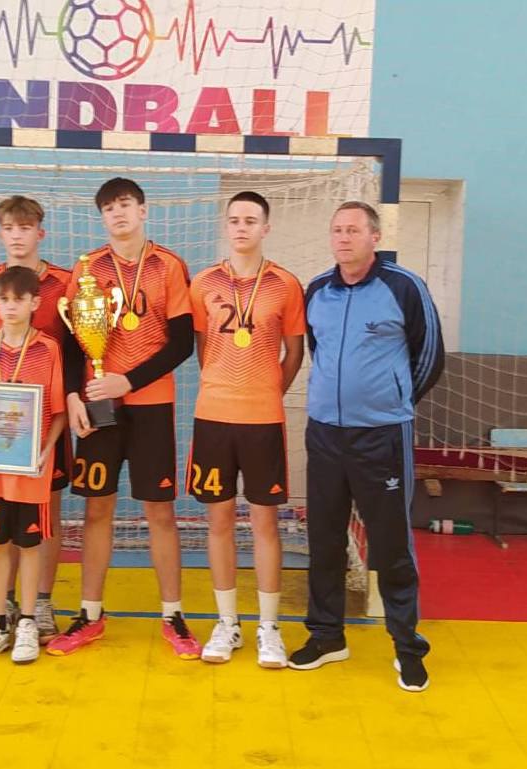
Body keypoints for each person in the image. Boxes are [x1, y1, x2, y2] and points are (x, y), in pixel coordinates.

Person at [288, 201, 444, 692]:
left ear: (375, 237)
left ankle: (407, 647)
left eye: (353, 230)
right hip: (325, 434)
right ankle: (327, 636)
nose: (343, 238)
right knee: (324, 539)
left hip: (382, 436)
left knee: (391, 544)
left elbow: (430, 356)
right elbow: (319, 351)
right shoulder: (318, 290)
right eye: (337, 230)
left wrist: (393, 403)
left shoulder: (404, 287)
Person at [47, 177, 201, 659]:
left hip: (151, 403)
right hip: (98, 403)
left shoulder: (169, 266)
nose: (118, 213)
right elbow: (72, 341)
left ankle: (173, 616)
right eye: (109, 207)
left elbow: (181, 343)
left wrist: (128, 381)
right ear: (102, 217)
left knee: (159, 511)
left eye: (125, 204)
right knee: (96, 509)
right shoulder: (87, 268)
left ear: (143, 210)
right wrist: (73, 395)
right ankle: (90, 615)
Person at [187, 191, 305, 667]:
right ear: (226, 226)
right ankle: (227, 623)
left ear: (265, 228)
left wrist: (268, 390)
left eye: (251, 220)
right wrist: (224, 384)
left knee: (264, 524)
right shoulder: (203, 283)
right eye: (234, 220)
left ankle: (269, 628)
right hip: (213, 416)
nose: (241, 227)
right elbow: (203, 347)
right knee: (217, 522)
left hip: (263, 418)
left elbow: (294, 352)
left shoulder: (285, 285)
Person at [0, 196, 72, 643]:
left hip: (44, 419)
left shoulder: (66, 283)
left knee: (45, 512)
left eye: (25, 227)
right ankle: (4, 608)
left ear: (39, 233)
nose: (16, 235)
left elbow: (77, 348)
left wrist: (68, 405)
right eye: (9, 227)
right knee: (0, 519)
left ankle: (39, 604)